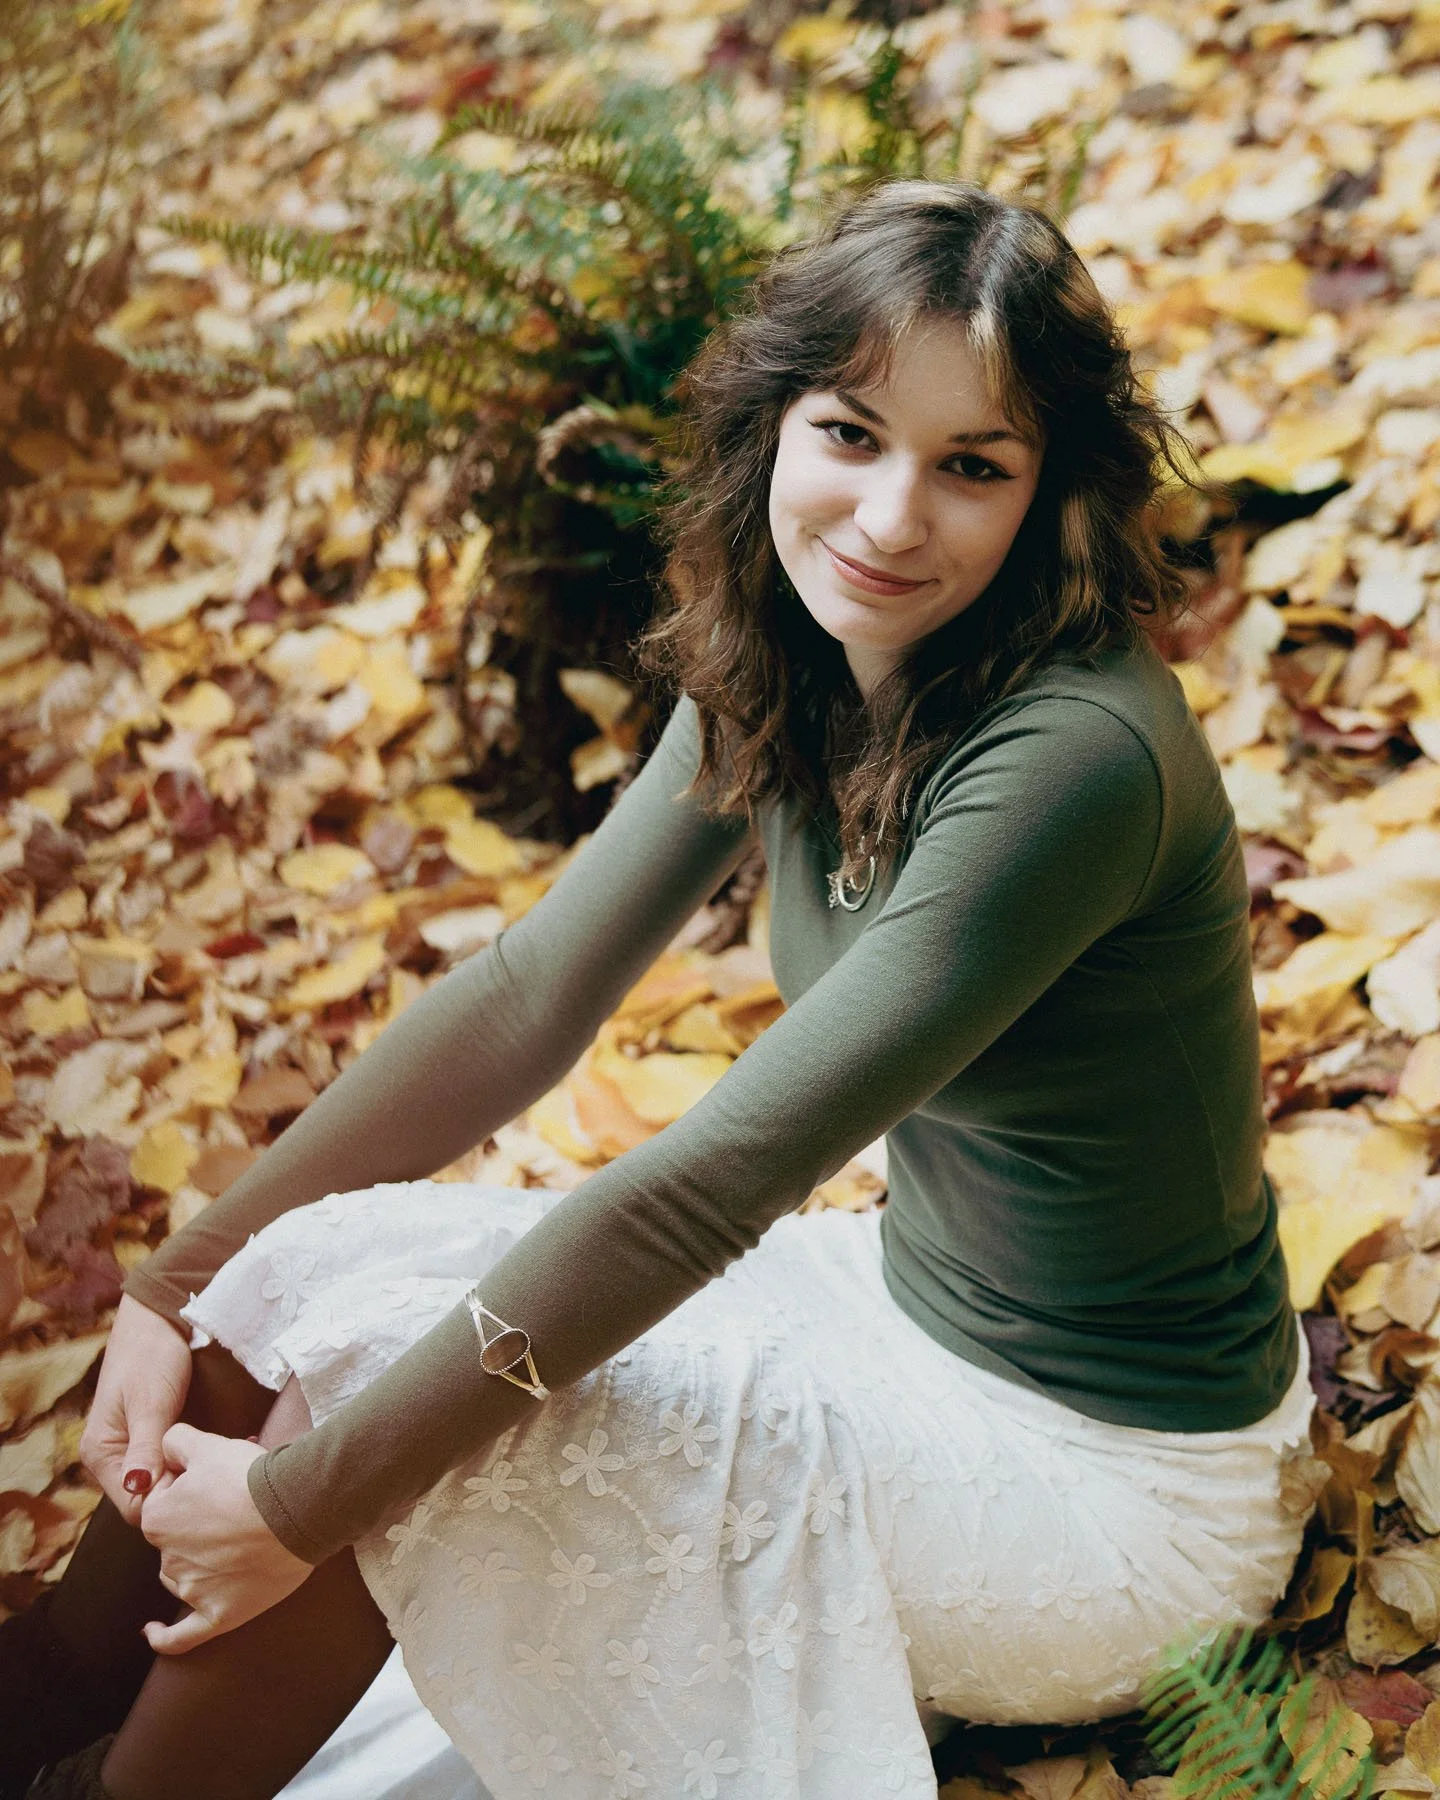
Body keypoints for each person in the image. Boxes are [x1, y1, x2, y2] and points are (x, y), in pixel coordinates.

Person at [2, 178, 1317, 1800]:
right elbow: (527, 996)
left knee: (420, 1442)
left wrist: (302, 1506)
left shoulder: (1075, 760)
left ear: (1049, 497)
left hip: (1108, 1482)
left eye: (971, 466)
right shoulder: (803, 648)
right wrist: (181, 1282)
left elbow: (705, 1190)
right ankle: (49, 1699)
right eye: (851, 434)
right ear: (773, 425)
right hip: (898, 1303)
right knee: (310, 1283)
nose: (893, 517)